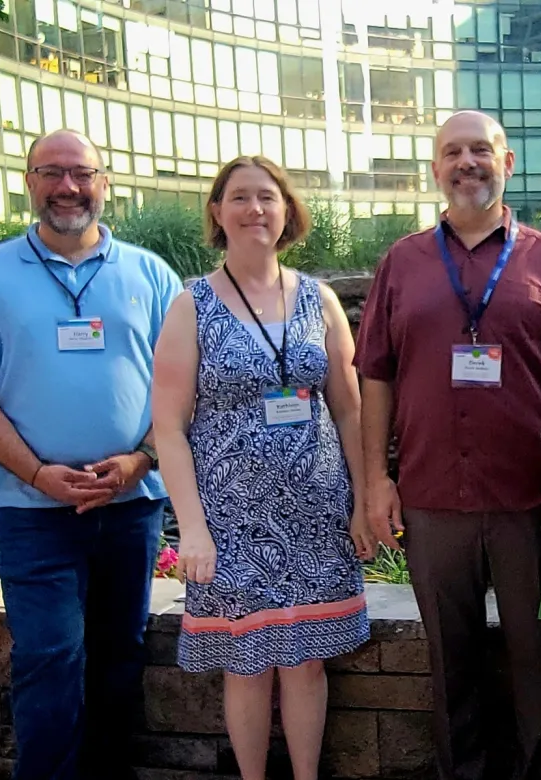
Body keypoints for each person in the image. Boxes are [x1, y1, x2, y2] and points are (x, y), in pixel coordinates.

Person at [0, 129, 184, 779]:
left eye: (81, 173)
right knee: (48, 656)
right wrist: (37, 472)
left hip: (130, 504)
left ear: (105, 184)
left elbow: (184, 384)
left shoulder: (151, 274)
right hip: (31, 507)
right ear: (29, 182)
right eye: (51, 172)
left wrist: (141, 459)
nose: (67, 187)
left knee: (119, 657)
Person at [356, 110, 541, 780]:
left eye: (480, 150)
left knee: (538, 660)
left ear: (506, 163)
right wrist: (376, 480)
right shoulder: (402, 263)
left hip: (528, 500)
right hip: (430, 499)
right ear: (436, 169)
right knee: (450, 663)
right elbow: (376, 376)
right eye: (453, 152)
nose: (467, 163)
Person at [153, 155, 392, 780]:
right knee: (247, 664)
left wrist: (361, 502)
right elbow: (168, 427)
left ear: (287, 211)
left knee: (307, 661)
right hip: (230, 521)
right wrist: (192, 529)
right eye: (239, 197)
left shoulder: (319, 301)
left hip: (317, 515)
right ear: (217, 212)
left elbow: (349, 409)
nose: (254, 209)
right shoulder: (192, 305)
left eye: (267, 197)